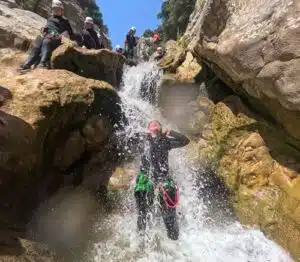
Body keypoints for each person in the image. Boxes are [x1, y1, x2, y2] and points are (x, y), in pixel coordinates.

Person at [134, 120, 190, 240]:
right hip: (146, 179)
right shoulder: (143, 141)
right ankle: (140, 242)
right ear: (147, 129)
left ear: (160, 128)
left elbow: (185, 141)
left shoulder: (165, 141)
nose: (154, 124)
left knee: (169, 214)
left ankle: (175, 240)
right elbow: (129, 137)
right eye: (151, 124)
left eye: (157, 124)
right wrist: (141, 132)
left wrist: (171, 132)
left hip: (163, 179)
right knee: (142, 213)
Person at [19, 0, 74, 71]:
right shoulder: (50, 18)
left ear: (62, 10)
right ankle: (27, 64)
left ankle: (42, 63)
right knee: (38, 40)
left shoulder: (65, 21)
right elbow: (48, 27)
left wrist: (64, 35)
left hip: (56, 38)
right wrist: (44, 29)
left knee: (46, 41)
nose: (56, 10)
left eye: (58, 9)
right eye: (54, 9)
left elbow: (71, 33)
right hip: (48, 35)